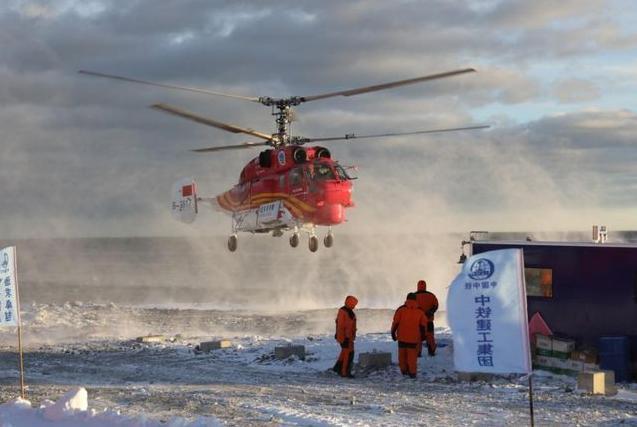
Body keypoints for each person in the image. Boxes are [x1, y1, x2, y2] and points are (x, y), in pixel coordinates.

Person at [391, 293, 428, 378]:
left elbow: (395, 322)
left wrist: (393, 333)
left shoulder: (401, 309)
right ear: (416, 300)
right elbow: (423, 325)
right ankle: (412, 373)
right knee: (412, 357)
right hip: (413, 338)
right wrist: (423, 336)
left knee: (402, 356)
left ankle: (404, 371)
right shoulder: (420, 311)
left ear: (407, 299)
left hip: (402, 337)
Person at [333, 295, 358, 378]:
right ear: (349, 302)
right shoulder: (343, 311)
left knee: (346, 352)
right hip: (344, 337)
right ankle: (344, 372)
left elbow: (351, 325)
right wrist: (343, 337)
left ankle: (338, 368)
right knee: (348, 354)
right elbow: (340, 325)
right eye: (354, 304)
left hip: (349, 337)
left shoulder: (349, 311)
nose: (355, 306)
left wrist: (352, 335)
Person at [415, 279, 439, 357]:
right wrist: (431, 312)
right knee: (430, 337)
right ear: (425, 286)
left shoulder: (414, 296)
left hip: (418, 322)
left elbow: (410, 307)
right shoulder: (431, 295)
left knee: (418, 337)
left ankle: (418, 353)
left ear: (418, 286)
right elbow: (436, 305)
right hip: (429, 321)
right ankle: (431, 351)